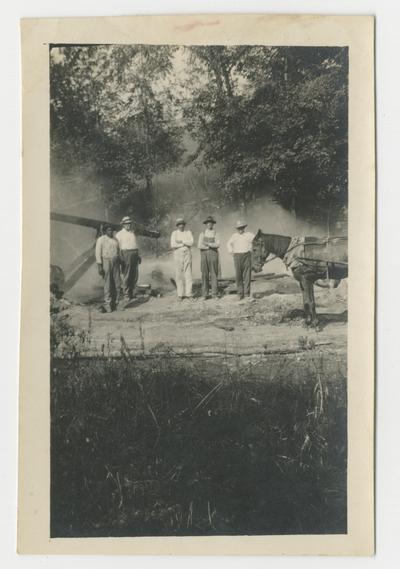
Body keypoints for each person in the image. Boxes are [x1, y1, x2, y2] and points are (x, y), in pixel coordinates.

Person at [227, 220, 255, 300]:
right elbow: (228, 243)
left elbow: (256, 241)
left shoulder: (249, 235)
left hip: (247, 255)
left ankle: (247, 294)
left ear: (244, 228)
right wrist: (231, 252)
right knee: (238, 275)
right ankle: (240, 294)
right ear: (237, 229)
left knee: (247, 275)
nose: (240, 229)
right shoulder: (234, 236)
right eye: (239, 228)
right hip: (237, 256)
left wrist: (251, 249)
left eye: (242, 228)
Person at [95, 224, 121, 312]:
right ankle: (108, 305)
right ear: (105, 231)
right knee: (108, 284)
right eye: (108, 230)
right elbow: (98, 253)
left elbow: (118, 252)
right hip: (106, 261)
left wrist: (120, 262)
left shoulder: (116, 240)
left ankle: (117, 303)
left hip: (116, 262)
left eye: (112, 230)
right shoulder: (101, 240)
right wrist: (100, 266)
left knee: (117, 283)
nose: (110, 232)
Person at [116, 216, 140, 302]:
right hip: (125, 254)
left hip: (134, 253)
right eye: (126, 224)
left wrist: (138, 256)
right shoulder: (119, 234)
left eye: (129, 224)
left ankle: (131, 292)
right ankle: (126, 294)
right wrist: (120, 257)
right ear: (123, 225)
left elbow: (135, 245)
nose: (128, 225)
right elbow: (117, 247)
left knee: (134, 274)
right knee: (127, 274)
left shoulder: (132, 233)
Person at [170, 218, 194, 301]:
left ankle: (189, 294)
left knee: (188, 273)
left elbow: (191, 242)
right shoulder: (174, 233)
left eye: (182, 224)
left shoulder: (188, 232)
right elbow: (173, 245)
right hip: (178, 254)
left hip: (187, 253)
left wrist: (181, 242)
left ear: (184, 225)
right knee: (179, 274)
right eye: (179, 224)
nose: (181, 226)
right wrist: (184, 244)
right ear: (177, 225)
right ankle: (180, 294)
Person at [198, 215, 220, 299]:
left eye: (211, 223)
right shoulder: (202, 234)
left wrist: (208, 244)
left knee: (214, 273)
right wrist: (209, 246)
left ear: (213, 224)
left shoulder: (216, 233)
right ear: (206, 224)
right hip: (204, 254)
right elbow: (199, 246)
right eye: (208, 223)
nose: (209, 224)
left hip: (213, 254)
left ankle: (214, 293)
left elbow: (218, 244)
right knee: (204, 274)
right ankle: (205, 294)